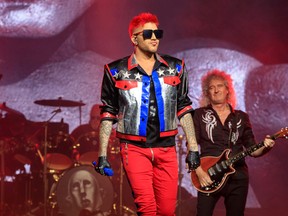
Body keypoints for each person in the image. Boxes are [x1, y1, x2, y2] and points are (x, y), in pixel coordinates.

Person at [95, 12, 200, 216]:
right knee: (147, 209)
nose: (154, 37)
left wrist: (193, 148)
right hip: (134, 148)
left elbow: (184, 107)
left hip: (166, 148)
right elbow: (108, 113)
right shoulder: (115, 71)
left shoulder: (176, 67)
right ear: (134, 38)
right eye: (148, 33)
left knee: (168, 211)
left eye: (157, 33)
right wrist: (102, 154)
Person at [192, 69, 276, 216]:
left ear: (227, 90)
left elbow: (253, 150)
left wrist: (266, 147)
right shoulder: (199, 115)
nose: (216, 90)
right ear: (207, 93)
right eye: (212, 87)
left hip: (237, 177)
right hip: (208, 175)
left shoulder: (241, 117)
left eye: (220, 86)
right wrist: (198, 172)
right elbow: (191, 146)